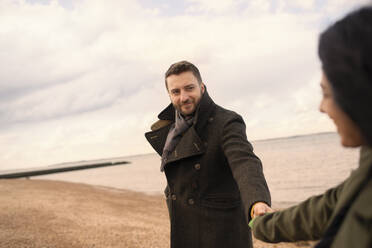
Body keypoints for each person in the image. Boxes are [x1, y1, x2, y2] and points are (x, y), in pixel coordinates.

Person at [250, 6, 372, 248]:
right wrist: (264, 224)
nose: (322, 108)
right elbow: (327, 207)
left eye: (327, 93)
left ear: (357, 94)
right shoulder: (368, 166)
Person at [145, 61, 272, 248]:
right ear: (170, 94)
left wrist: (257, 202)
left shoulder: (226, 121)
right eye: (176, 92)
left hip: (222, 231)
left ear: (202, 87)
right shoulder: (171, 128)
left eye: (189, 88)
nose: (184, 97)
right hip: (185, 225)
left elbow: (244, 162)